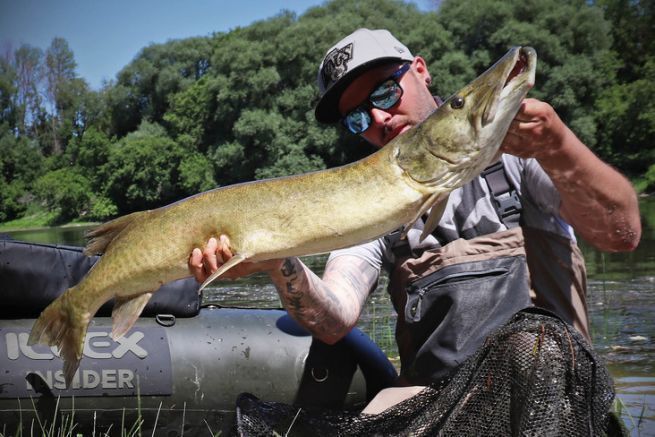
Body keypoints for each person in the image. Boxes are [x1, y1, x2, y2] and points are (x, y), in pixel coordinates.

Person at [188, 29, 641, 410]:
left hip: (549, 395)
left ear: (420, 71)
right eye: (358, 118)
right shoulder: (370, 203)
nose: (380, 118)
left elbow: (621, 234)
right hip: (435, 401)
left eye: (386, 91)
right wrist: (277, 261)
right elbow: (335, 319)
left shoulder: (520, 157)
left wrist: (557, 146)